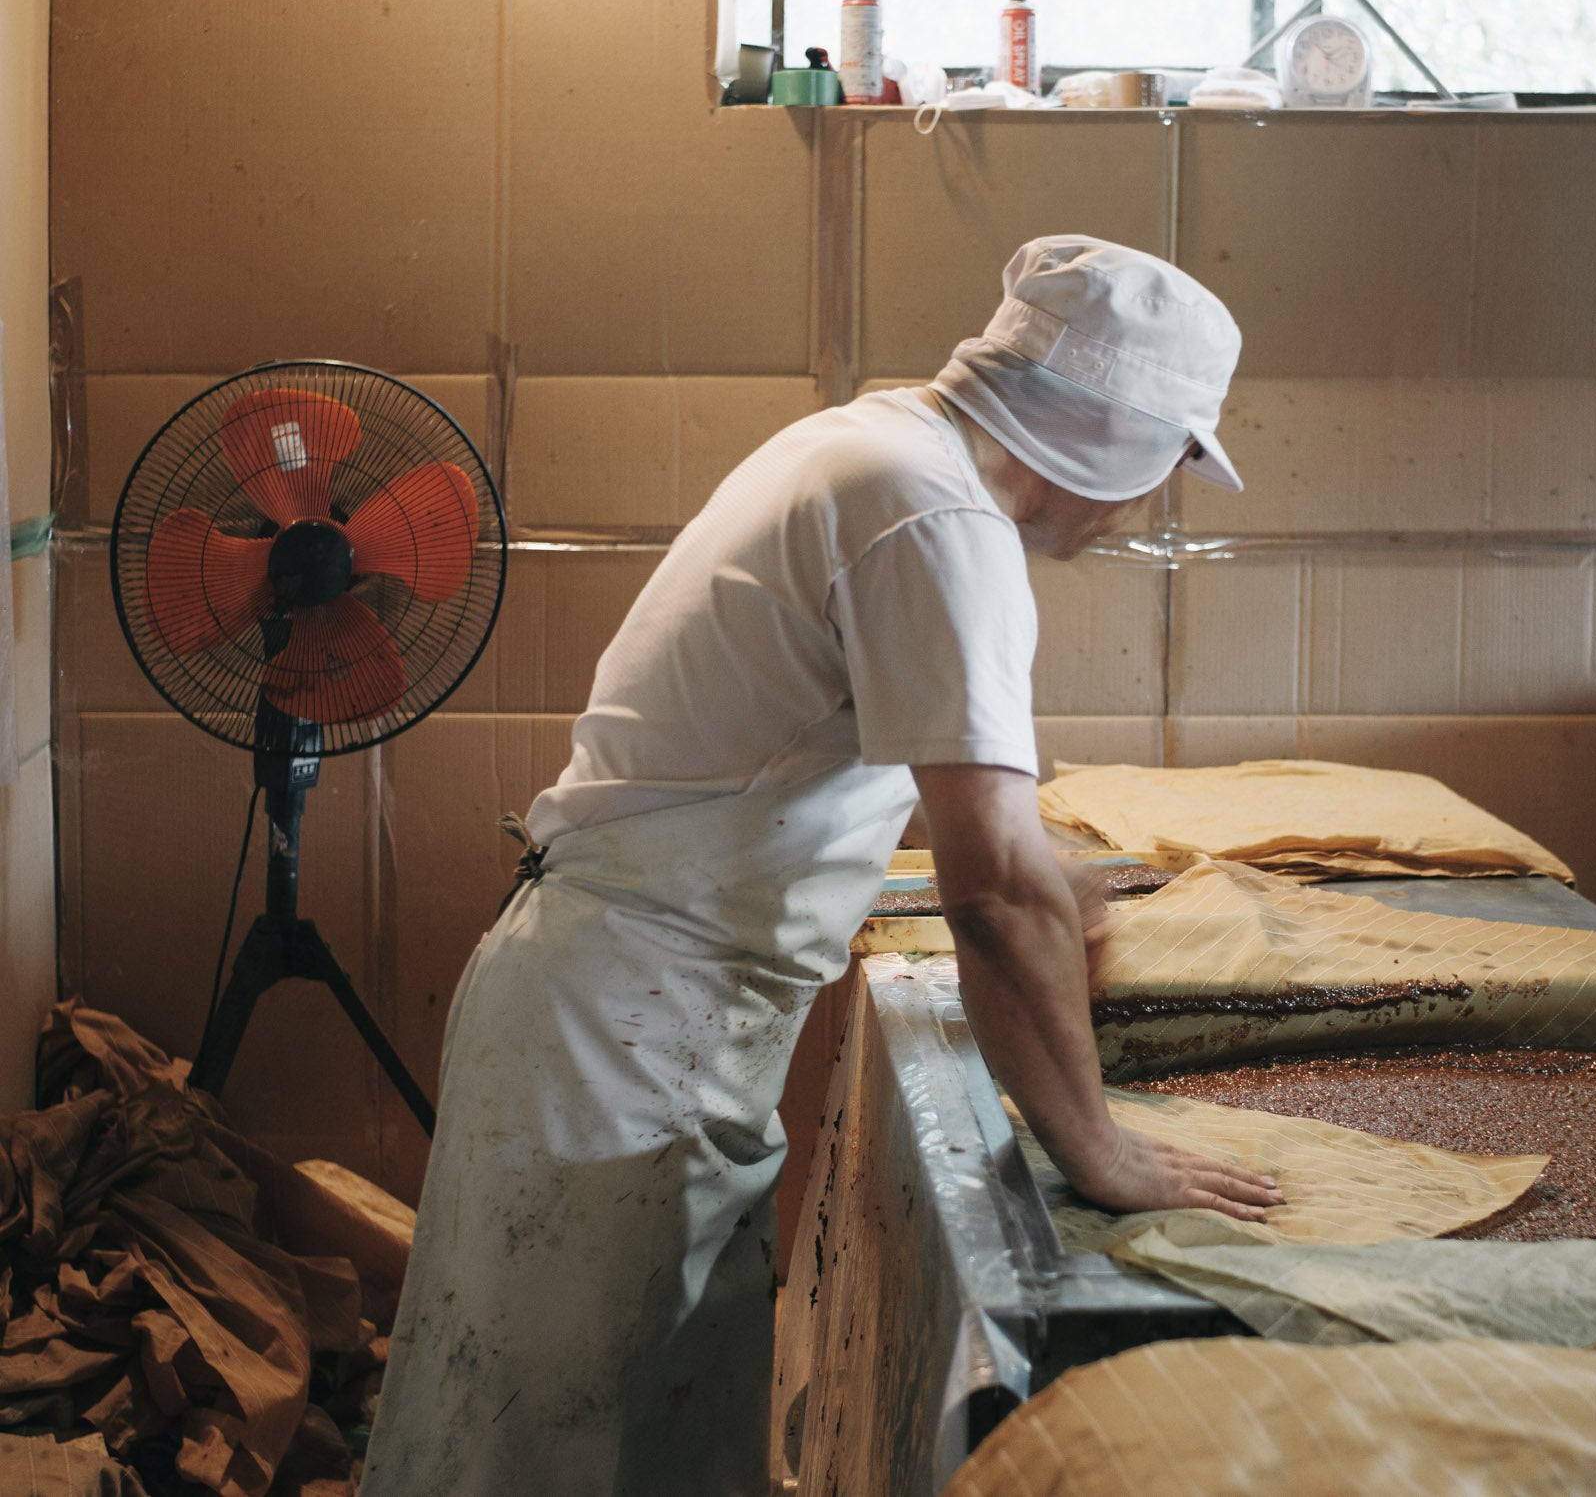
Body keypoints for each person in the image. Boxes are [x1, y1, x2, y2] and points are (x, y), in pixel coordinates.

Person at [359, 235, 1281, 1497]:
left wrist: (1040, 869)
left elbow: (806, 757)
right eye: (1174, 460)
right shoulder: (936, 515)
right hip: (623, 1030)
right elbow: (989, 895)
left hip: (632, 1003)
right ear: (1119, 440)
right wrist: (1101, 1152)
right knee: (549, 1452)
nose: (1152, 504)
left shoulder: (876, 447)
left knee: (624, 1435)